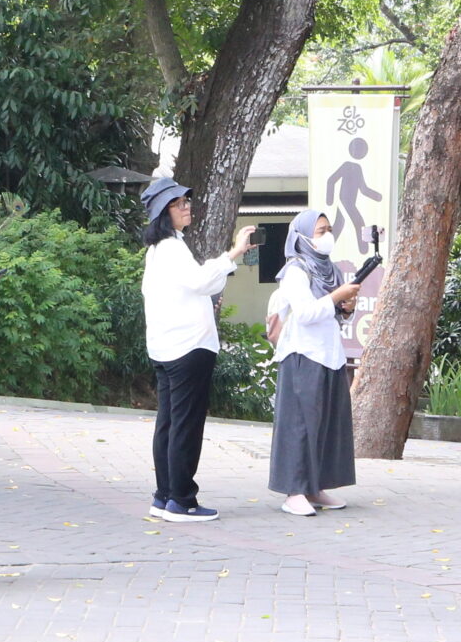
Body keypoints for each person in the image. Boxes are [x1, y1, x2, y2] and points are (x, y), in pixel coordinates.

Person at [138, 177, 255, 522]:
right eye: (179, 204)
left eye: (187, 201)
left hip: (167, 348)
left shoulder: (160, 249)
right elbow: (204, 281)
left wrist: (225, 263)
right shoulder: (172, 248)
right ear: (164, 212)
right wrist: (234, 252)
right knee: (184, 426)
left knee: (170, 424)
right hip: (188, 348)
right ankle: (181, 500)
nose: (187, 207)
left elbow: (205, 282)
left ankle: (164, 496)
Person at [267, 209, 361, 517]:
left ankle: (314, 486)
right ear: (303, 237)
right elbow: (306, 314)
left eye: (328, 229)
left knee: (325, 423)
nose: (326, 236)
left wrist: (346, 307)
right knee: (300, 424)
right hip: (302, 354)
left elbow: (330, 314)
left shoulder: (328, 269)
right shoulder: (297, 269)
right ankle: (294, 490)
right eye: (320, 231)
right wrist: (336, 298)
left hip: (328, 354)